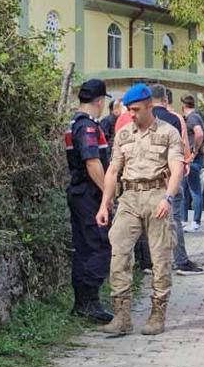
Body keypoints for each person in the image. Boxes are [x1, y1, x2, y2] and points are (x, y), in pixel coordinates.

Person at [96, 83, 184, 336]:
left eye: (135, 109)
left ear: (149, 106)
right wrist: (105, 204)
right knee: (119, 254)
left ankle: (157, 313)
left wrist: (168, 198)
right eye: (128, 109)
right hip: (130, 198)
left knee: (160, 258)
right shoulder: (123, 134)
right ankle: (122, 316)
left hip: (158, 196)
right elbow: (113, 171)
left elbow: (177, 167)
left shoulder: (168, 133)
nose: (131, 114)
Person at [59, 79, 115, 324]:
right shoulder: (88, 127)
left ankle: (82, 302)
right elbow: (92, 162)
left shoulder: (75, 123)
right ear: (100, 102)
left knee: (84, 247)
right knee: (97, 245)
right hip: (89, 195)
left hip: (81, 194)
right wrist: (107, 195)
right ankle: (89, 302)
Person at [150, 84, 203, 275]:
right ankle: (180, 261)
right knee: (174, 218)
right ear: (165, 99)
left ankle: (148, 263)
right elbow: (183, 145)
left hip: (145, 176)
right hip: (170, 175)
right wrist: (187, 161)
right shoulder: (175, 119)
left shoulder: (139, 117)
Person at [180, 95, 204, 232]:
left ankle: (195, 222)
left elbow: (199, 134)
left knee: (194, 191)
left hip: (192, 159)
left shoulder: (192, 118)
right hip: (193, 158)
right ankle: (184, 220)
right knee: (185, 189)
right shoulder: (198, 116)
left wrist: (193, 151)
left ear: (183, 106)